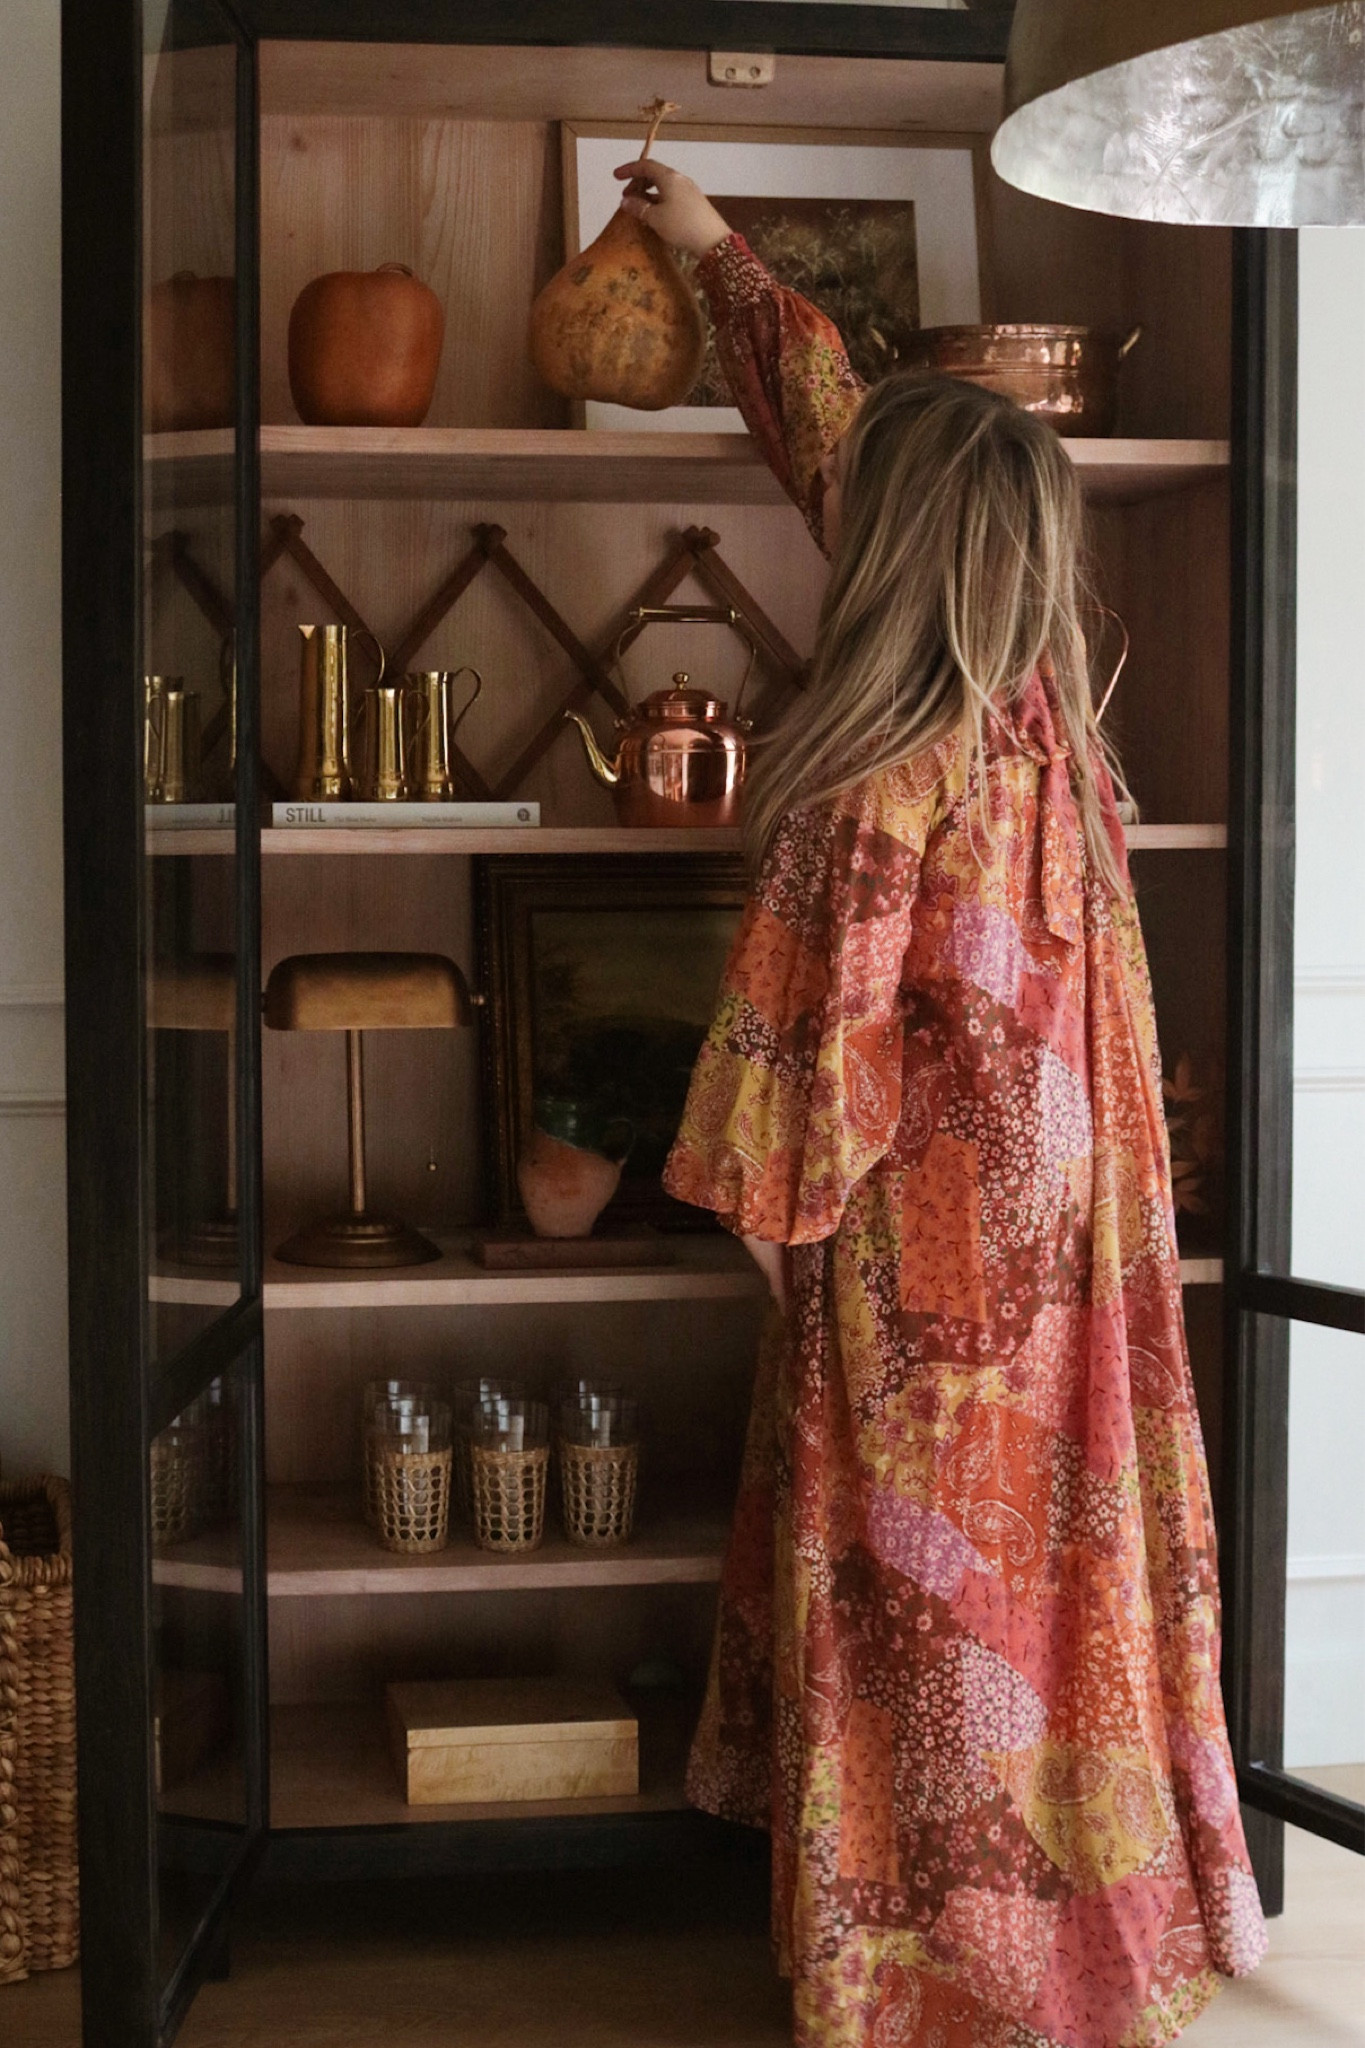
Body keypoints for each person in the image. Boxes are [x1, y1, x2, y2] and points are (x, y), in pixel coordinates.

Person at [614, 158, 1269, 2048]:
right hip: (1089, 1262)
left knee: (927, 1619)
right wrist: (704, 249)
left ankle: (919, 1979)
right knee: (1069, 1597)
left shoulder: (874, 776)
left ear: (878, 549)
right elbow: (850, 427)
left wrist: (776, 1239)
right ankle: (1095, 1947)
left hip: (931, 1285)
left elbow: (786, 1085)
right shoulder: (1048, 720)